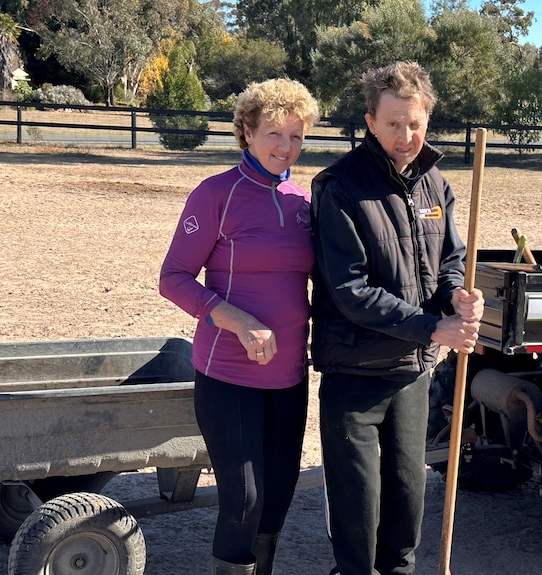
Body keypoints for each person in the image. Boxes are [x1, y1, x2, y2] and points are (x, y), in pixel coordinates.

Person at [309, 61, 485, 575]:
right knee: (358, 513)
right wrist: (434, 328)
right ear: (370, 120)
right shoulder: (339, 188)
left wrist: (455, 298)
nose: (406, 136)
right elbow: (350, 291)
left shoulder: (436, 184)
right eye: (393, 124)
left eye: (415, 123)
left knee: (407, 505)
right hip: (354, 375)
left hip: (412, 373)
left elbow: (449, 262)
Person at [159, 78, 319, 575]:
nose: (285, 146)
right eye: (274, 133)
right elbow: (174, 278)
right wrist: (238, 320)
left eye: (296, 135)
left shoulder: (302, 201)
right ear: (246, 131)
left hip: (290, 376)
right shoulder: (216, 195)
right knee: (245, 499)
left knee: (277, 498)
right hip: (228, 375)